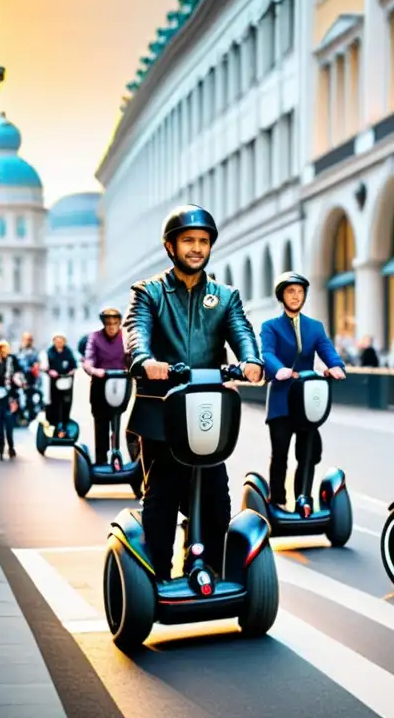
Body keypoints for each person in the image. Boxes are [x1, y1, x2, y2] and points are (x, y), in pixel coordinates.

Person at [123, 204, 263, 581]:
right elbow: (136, 331)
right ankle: (155, 577)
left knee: (217, 495)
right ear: (171, 247)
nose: (197, 248)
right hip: (162, 413)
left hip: (206, 412)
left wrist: (251, 361)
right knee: (163, 495)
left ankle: (208, 568)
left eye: (203, 241)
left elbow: (242, 332)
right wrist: (143, 359)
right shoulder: (149, 293)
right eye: (188, 241)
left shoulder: (225, 295)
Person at [260, 271, 347, 508]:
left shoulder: (314, 327)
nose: (296, 296)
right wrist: (279, 369)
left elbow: (327, 351)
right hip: (280, 399)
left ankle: (303, 498)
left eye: (300, 291)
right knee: (280, 454)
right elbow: (266, 353)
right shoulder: (270, 327)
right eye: (290, 291)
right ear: (282, 296)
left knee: (307, 454)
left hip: (307, 401)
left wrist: (336, 366)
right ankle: (277, 499)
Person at [83, 307, 127, 467]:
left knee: (117, 419)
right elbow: (88, 359)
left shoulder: (126, 337)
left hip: (121, 385)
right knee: (101, 422)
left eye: (115, 323)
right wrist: (94, 370)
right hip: (100, 385)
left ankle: (116, 454)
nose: (111, 327)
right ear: (103, 324)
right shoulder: (95, 337)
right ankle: (101, 460)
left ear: (119, 323)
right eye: (108, 323)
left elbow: (133, 355)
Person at [44, 333, 77, 437]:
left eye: (61, 341)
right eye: (57, 341)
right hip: (54, 383)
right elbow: (45, 366)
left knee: (66, 403)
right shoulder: (50, 352)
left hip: (66, 382)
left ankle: (65, 425)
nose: (59, 343)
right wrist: (50, 371)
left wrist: (72, 371)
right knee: (54, 404)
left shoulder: (68, 352)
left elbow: (74, 365)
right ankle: (54, 426)